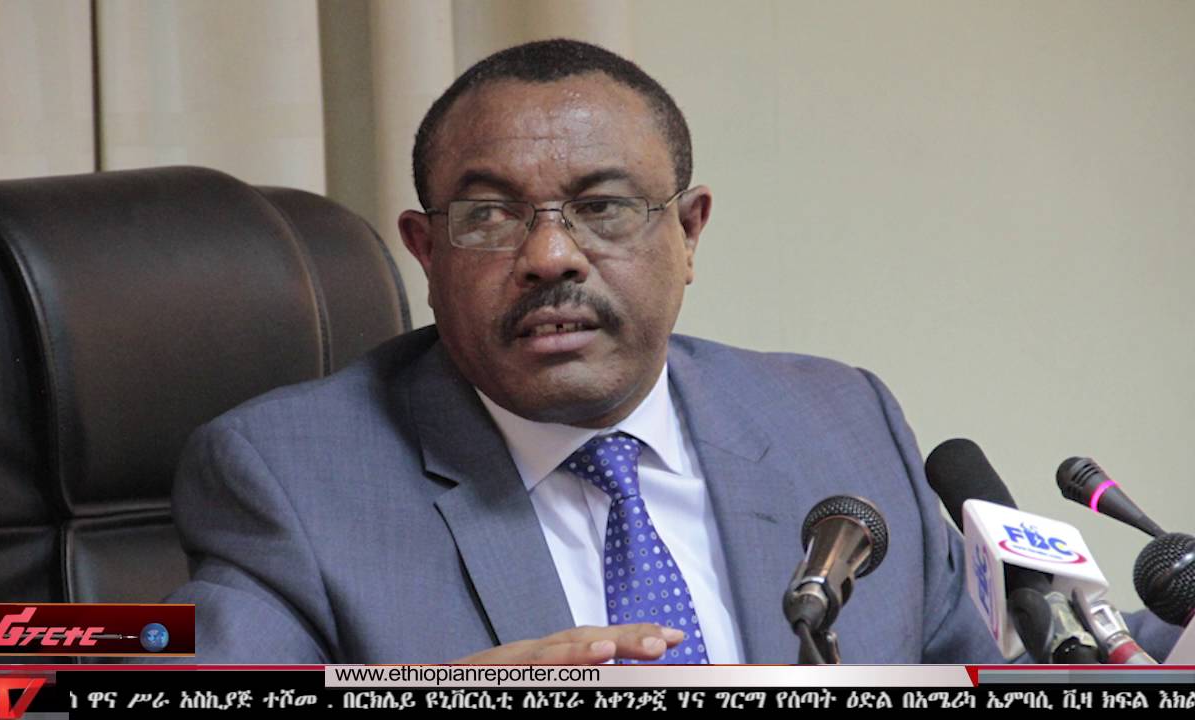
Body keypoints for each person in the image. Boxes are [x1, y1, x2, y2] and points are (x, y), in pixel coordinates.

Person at [164, 39, 1179, 664]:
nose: (548, 256)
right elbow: (164, 683)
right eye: (488, 216)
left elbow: (962, 675)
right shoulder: (291, 476)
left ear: (688, 233)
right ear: (426, 252)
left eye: (603, 207)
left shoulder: (838, 421)